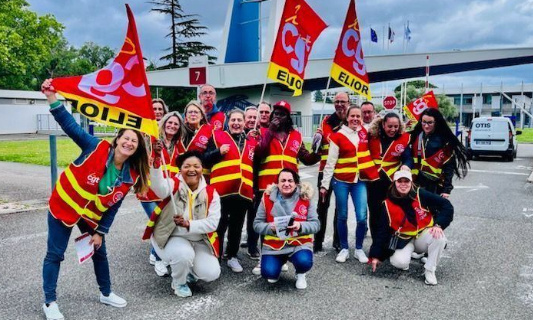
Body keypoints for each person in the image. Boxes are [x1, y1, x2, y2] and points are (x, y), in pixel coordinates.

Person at [40, 79, 150, 320]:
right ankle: (50, 302)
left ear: (137, 147)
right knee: (55, 254)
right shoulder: (95, 146)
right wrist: (51, 97)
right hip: (64, 206)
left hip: (90, 216)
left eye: (135, 141)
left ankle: (106, 292)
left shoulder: (129, 175)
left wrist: (100, 231)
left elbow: (112, 208)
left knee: (100, 251)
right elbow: (70, 126)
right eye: (127, 138)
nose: (130, 143)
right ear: (117, 139)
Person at [250, 100, 320, 271]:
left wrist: (319, 147)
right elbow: (260, 152)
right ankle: (264, 255)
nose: (277, 117)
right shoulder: (263, 132)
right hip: (266, 186)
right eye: (275, 113)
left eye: (282, 114)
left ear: (288, 117)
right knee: (268, 221)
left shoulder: (296, 136)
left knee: (288, 220)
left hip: (290, 188)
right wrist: (270, 131)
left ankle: (284, 253)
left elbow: (307, 159)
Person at [143, 151, 221, 298]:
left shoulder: (211, 193)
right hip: (172, 238)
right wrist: (156, 164)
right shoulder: (173, 184)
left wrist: (188, 224)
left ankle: (188, 271)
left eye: (196, 166)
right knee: (184, 255)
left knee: (212, 273)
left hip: (198, 240)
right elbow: (159, 188)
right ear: (180, 169)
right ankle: (178, 282)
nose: (192, 169)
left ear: (202, 169)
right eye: (187, 166)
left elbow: (212, 223)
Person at [368, 170, 453, 285]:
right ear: (394, 183)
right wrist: (376, 256)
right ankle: (407, 257)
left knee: (439, 237)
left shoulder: (421, 194)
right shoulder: (387, 204)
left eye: (406, 181)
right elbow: (382, 231)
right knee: (399, 262)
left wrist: (439, 225)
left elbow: (446, 205)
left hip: (423, 236)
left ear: (411, 182)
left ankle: (430, 270)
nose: (403, 184)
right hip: (403, 240)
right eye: (400, 181)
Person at [320, 105, 379, 264]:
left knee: (361, 217)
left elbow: (383, 130)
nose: (355, 119)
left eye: (358, 116)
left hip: (359, 181)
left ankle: (358, 248)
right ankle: (344, 248)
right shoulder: (337, 136)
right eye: (352, 116)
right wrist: (325, 185)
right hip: (341, 181)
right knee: (342, 215)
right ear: (347, 117)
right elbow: (330, 163)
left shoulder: (365, 132)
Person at [203, 109, 257, 273]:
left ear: (244, 122)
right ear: (228, 121)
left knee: (236, 225)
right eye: (233, 120)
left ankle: (232, 256)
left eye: (239, 120)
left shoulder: (251, 141)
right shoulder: (217, 136)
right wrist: (218, 152)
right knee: (219, 226)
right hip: (221, 191)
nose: (236, 123)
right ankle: (216, 257)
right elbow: (204, 159)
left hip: (242, 192)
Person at [253, 169, 320, 289]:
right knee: (269, 274)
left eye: (290, 181)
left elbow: (316, 224)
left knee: (304, 262)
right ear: (277, 183)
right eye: (283, 181)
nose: (286, 184)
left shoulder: (305, 197)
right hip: (274, 245)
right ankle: (280, 262)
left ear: (296, 183)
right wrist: (270, 227)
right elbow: (257, 224)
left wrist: (300, 226)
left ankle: (301, 273)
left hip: (298, 244)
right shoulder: (266, 198)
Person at [139, 111, 186, 276]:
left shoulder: (179, 145)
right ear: (163, 123)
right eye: (169, 123)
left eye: (176, 124)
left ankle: (156, 254)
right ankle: (159, 259)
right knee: (158, 224)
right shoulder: (151, 139)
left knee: (163, 225)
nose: (172, 126)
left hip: (167, 192)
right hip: (149, 192)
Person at [312, 92, 349, 252]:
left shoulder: (352, 122)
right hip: (325, 171)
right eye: (337, 101)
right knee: (321, 207)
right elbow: (318, 145)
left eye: (343, 101)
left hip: (343, 171)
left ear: (348, 103)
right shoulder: (326, 121)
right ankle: (317, 242)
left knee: (340, 209)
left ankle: (338, 242)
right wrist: (317, 138)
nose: (340, 104)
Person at [367, 112, 412, 242]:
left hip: (391, 182)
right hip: (373, 181)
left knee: (391, 212)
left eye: (396, 126)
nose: (393, 130)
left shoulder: (403, 138)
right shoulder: (372, 136)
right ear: (383, 124)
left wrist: (406, 166)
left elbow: (408, 158)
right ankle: (376, 243)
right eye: (390, 126)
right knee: (374, 213)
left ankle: (390, 242)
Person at [410, 108, 469, 197]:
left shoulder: (444, 140)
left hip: (435, 186)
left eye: (430, 123)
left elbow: (449, 167)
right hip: (415, 184)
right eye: (424, 122)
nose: (426, 126)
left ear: (436, 122)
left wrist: (446, 190)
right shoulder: (415, 136)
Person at [181, 101, 214, 181]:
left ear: (202, 116)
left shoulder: (211, 131)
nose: (193, 114)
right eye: (190, 112)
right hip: (181, 176)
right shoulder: (179, 132)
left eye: (196, 112)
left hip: (202, 177)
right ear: (185, 115)